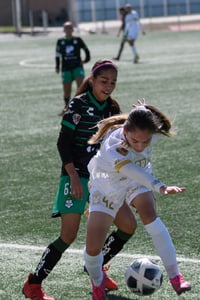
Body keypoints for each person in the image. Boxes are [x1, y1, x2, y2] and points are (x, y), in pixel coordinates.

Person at [22, 59, 136, 300]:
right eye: (104, 81)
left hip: (102, 179)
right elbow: (63, 143)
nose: (108, 86)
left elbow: (117, 144)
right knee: (68, 235)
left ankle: (96, 266)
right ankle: (33, 283)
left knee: (127, 225)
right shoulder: (78, 105)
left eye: (113, 82)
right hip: (75, 176)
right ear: (92, 80)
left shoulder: (112, 109)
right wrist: (73, 177)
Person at [84, 100, 191, 300]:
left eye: (146, 141)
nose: (140, 146)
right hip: (107, 185)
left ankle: (175, 276)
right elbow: (130, 170)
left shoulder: (147, 129)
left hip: (137, 180)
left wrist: (142, 108)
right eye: (135, 141)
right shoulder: (114, 146)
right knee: (92, 248)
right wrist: (160, 186)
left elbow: (146, 116)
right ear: (125, 131)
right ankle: (97, 282)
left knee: (150, 215)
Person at [55, 21, 91, 115]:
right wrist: (57, 66)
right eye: (66, 28)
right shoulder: (60, 41)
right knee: (67, 90)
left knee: (81, 87)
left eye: (70, 28)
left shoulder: (78, 40)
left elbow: (86, 50)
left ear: (72, 29)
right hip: (66, 68)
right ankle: (67, 107)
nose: (68, 29)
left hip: (77, 67)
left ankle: (81, 107)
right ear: (63, 30)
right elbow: (57, 55)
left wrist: (86, 60)